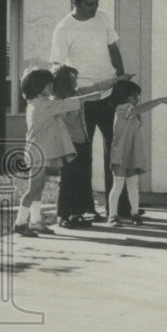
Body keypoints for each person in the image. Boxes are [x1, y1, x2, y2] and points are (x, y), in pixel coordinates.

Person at [49, 0, 132, 218]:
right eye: (88, 5)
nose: (93, 8)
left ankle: (118, 208)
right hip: (82, 97)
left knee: (115, 150)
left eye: (96, 3)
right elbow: (57, 66)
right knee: (82, 153)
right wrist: (66, 98)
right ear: (74, 2)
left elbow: (113, 49)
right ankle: (84, 208)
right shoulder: (63, 28)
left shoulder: (103, 18)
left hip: (109, 92)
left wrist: (121, 83)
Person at [13, 68, 112, 237]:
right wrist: (88, 97)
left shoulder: (38, 103)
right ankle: (20, 223)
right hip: (37, 153)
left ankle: (35, 222)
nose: (52, 87)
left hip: (38, 151)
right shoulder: (44, 105)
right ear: (38, 87)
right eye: (48, 85)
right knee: (33, 189)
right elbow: (67, 103)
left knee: (38, 189)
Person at [52, 65, 119, 229]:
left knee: (80, 179)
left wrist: (118, 80)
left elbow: (96, 88)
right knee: (68, 180)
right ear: (64, 82)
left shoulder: (78, 93)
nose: (76, 82)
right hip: (68, 145)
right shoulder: (56, 101)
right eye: (72, 79)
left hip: (82, 142)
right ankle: (63, 215)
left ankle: (77, 213)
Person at [106, 80, 167, 226]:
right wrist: (160, 100)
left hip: (132, 151)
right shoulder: (123, 108)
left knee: (132, 184)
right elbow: (140, 108)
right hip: (120, 151)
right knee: (118, 184)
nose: (137, 99)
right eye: (135, 96)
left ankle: (135, 213)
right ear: (127, 96)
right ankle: (112, 215)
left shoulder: (134, 112)